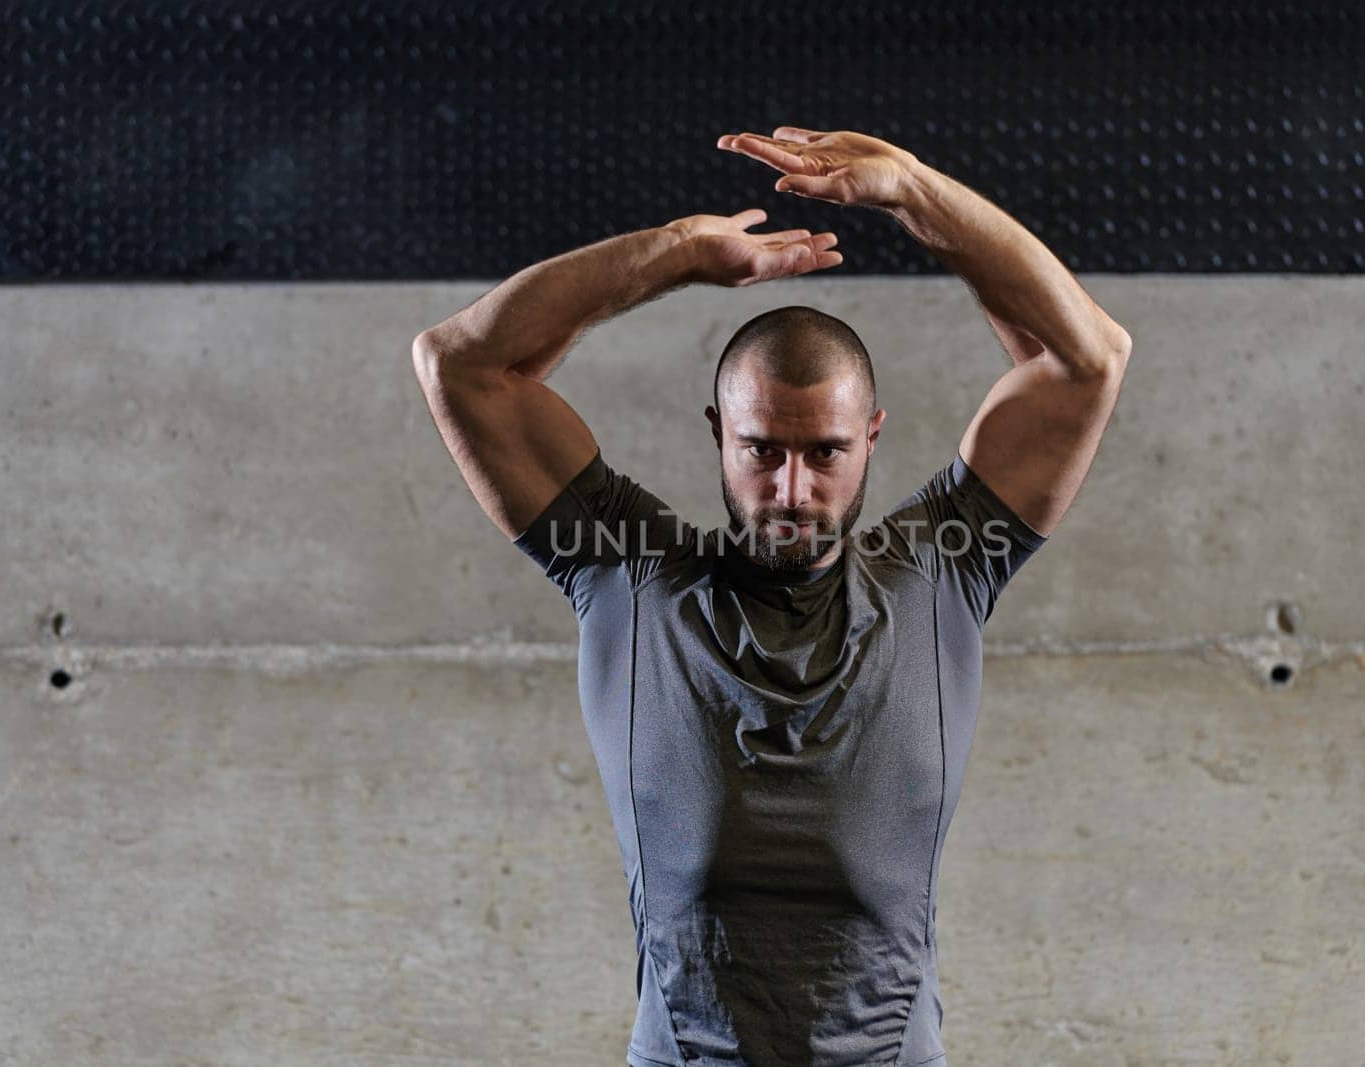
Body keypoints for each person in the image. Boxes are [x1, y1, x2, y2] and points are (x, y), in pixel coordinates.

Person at [412, 127, 1131, 1067]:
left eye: (825, 453)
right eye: (762, 450)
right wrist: (673, 253)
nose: (792, 490)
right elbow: (463, 365)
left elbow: (1088, 360)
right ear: (719, 433)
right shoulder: (633, 575)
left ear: (871, 437)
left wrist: (913, 192)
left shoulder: (944, 565)